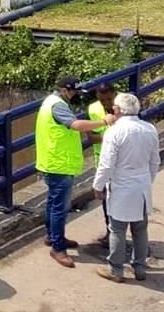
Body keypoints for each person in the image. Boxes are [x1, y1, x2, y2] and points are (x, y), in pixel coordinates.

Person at [35, 76, 117, 268]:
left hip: (53, 161)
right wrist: (104, 122)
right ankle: (58, 248)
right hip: (59, 164)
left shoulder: (52, 102)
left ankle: (53, 237)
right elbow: (76, 125)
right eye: (74, 92)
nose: (75, 96)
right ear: (65, 90)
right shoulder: (58, 105)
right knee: (59, 208)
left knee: (53, 203)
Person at [92, 92, 160, 283]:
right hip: (142, 186)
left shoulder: (114, 132)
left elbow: (106, 165)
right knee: (140, 228)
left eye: (114, 107)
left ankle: (116, 269)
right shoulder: (149, 129)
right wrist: (147, 180)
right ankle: (139, 267)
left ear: (118, 110)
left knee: (117, 229)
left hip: (122, 186)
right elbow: (155, 161)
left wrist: (98, 186)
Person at [89, 83, 117, 248]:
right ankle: (110, 232)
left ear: (114, 94)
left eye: (109, 99)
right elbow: (91, 138)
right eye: (102, 100)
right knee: (106, 199)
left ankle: (120, 234)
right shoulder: (93, 109)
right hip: (103, 161)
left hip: (122, 163)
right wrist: (111, 137)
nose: (106, 103)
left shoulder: (125, 106)